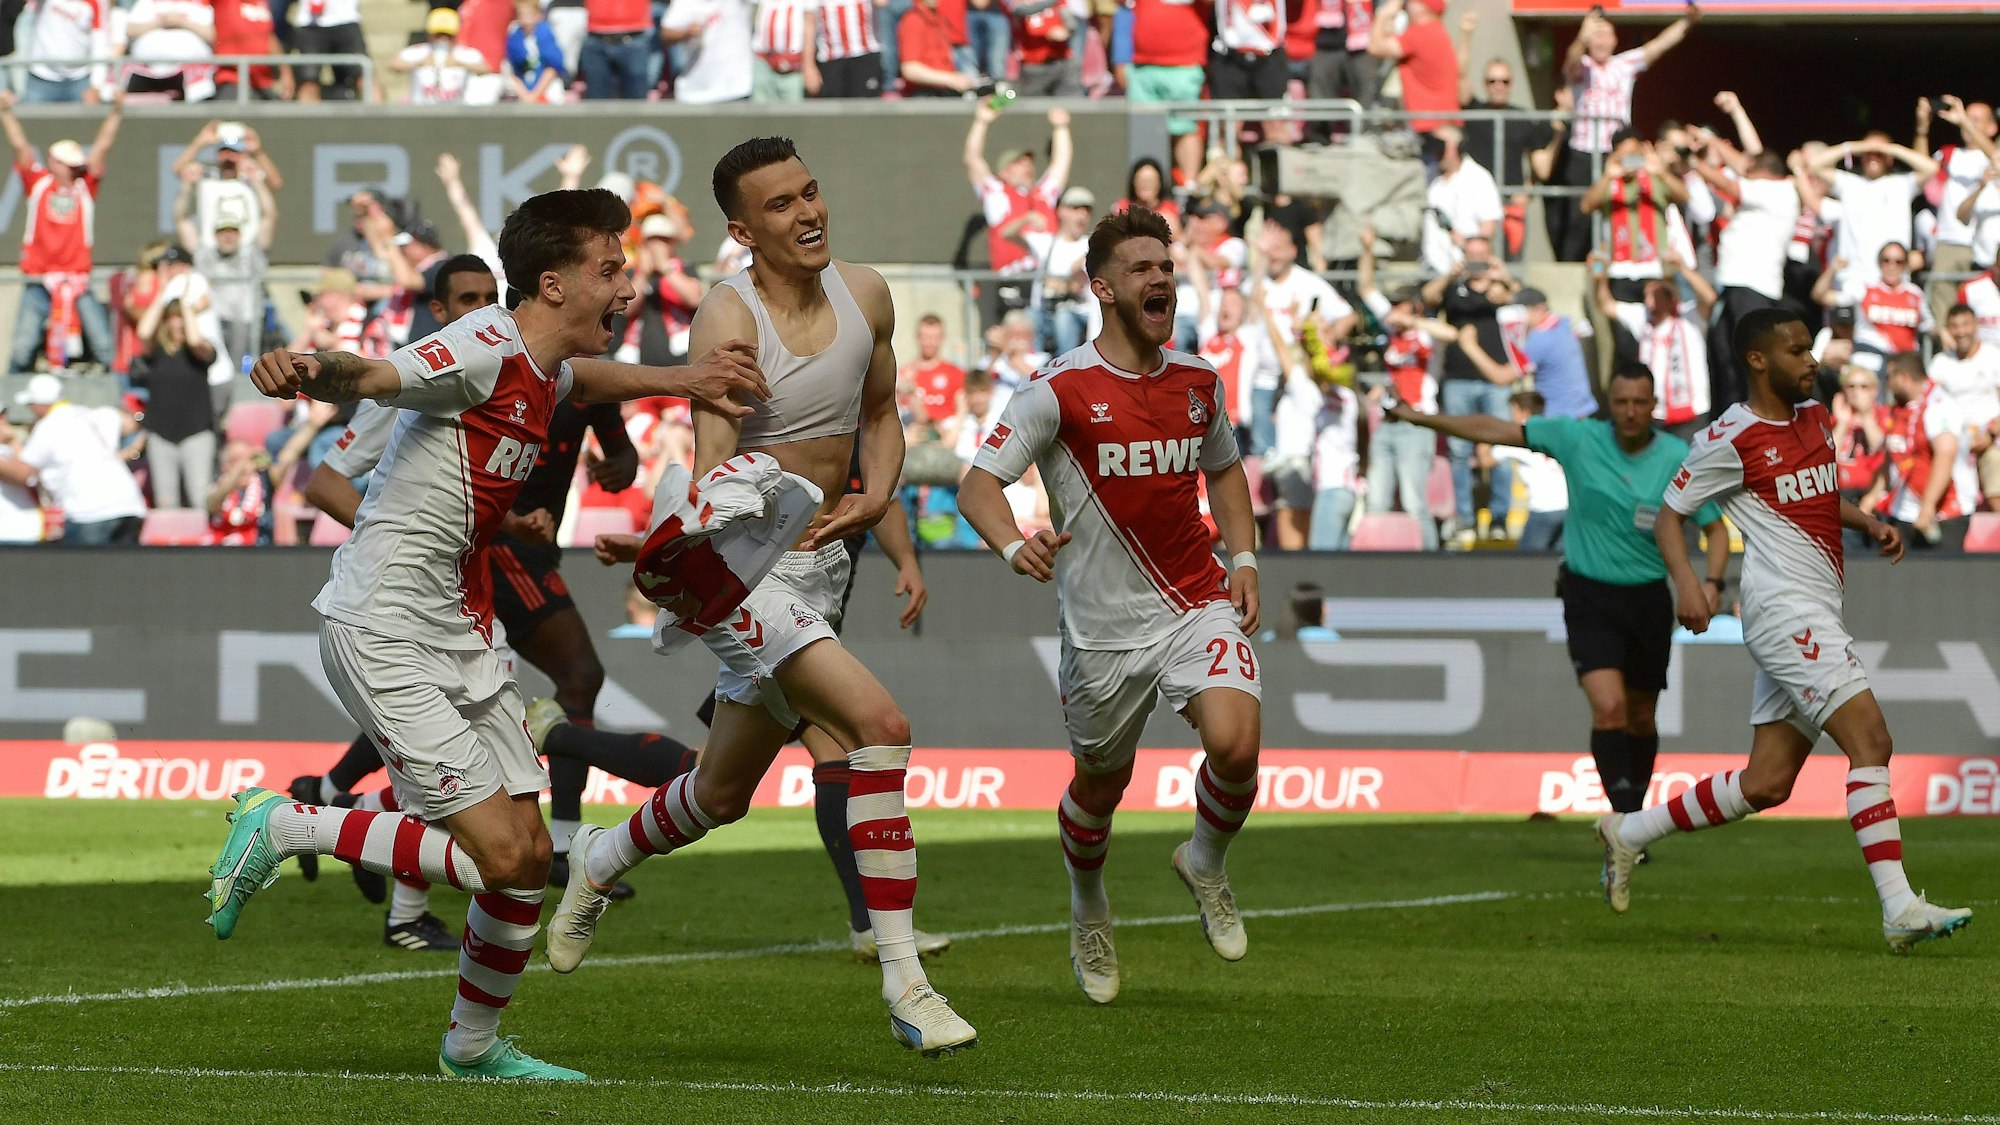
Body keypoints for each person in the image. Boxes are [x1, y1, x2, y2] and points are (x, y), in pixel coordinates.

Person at [200, 186, 769, 1081]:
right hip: (382, 621)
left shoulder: (543, 366)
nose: (627, 287)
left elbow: (583, 380)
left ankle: (471, 1048)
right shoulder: (480, 344)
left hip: (460, 629)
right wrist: (306, 367)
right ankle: (291, 823)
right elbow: (377, 375)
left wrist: (679, 379)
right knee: (499, 853)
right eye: (608, 270)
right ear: (551, 283)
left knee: (528, 858)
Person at [544, 137, 977, 1057]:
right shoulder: (727, 320)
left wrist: (880, 491)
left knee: (721, 792)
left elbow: (881, 414)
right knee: (880, 726)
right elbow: (711, 467)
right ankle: (907, 981)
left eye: (811, 192)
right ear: (743, 231)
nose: (808, 213)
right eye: (781, 206)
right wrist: (669, 543)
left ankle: (600, 854)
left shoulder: (868, 294)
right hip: (747, 571)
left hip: (823, 568)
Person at [956, 206, 1264, 1005]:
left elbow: (1225, 472)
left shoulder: (1200, 381)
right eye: (1141, 268)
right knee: (1101, 785)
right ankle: (1089, 903)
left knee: (1235, 742)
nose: (1160, 277)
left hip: (1196, 601)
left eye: (1164, 265)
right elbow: (977, 485)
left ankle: (1203, 858)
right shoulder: (1058, 389)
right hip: (1100, 631)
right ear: (1103, 287)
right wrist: (1009, 541)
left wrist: (1246, 556)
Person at [1621, 309, 1972, 952]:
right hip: (1784, 612)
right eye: (1797, 350)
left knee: (1767, 782)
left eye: (1811, 349)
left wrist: (1867, 523)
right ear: (1758, 360)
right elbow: (1671, 517)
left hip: (1818, 604)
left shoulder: (1814, 418)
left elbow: (1814, 495)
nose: (1812, 361)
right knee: (1871, 738)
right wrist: (1691, 584)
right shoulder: (1729, 437)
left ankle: (1629, 832)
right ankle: (1899, 907)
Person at [1388, 361, 1728, 827]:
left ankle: (1630, 815)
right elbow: (1495, 428)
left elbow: (1715, 528)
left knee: (1641, 717)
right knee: (1609, 707)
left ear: (1654, 406)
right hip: (1588, 594)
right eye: (1621, 402)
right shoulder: (1578, 438)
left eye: (1639, 403)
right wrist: (1424, 419)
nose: (1630, 412)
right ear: (1611, 405)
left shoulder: (1675, 457)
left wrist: (1711, 583)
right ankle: (1628, 821)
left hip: (1648, 598)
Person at [1549, 1, 1700, 262]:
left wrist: (1688, 22)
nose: (1600, 40)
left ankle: (1627, 258)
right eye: (1596, 35)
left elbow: (1658, 46)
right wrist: (1580, 39)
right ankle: (1571, 265)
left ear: (1615, 39)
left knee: (1626, 204)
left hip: (1618, 150)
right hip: (1583, 151)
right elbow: (1571, 62)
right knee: (1579, 215)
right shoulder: (1582, 65)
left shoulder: (1624, 64)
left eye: (1605, 34)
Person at [1, 89, 123, 374]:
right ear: (54, 162)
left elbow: (102, 147)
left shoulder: (84, 188)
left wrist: (116, 112)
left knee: (103, 344)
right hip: (38, 278)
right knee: (23, 344)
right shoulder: (39, 184)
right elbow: (21, 147)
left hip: (77, 280)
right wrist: (6, 113)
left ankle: (120, 397)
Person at [1421, 235, 1518, 544]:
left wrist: (1503, 277)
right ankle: (1464, 516)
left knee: (1502, 448)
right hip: (1458, 378)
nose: (1476, 261)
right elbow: (1428, 296)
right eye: (1471, 255)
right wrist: (1450, 274)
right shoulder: (1453, 286)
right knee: (1460, 452)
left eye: (1482, 255)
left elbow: (1518, 298)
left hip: (1495, 379)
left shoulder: (1498, 287)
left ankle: (1500, 516)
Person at [0, 375, 147, 544]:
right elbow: (130, 423)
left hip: (90, 511)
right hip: (130, 505)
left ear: (40, 405)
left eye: (30, 405)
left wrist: (13, 441)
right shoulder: (92, 414)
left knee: (82, 570)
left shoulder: (48, 426)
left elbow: (23, 475)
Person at [964, 104, 1074, 323]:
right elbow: (973, 160)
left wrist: (1061, 128)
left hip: (1047, 285)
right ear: (1004, 171)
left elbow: (1061, 165)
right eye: (1019, 163)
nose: (1027, 167)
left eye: (1029, 163)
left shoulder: (1042, 195)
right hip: (1014, 282)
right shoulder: (997, 194)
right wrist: (981, 121)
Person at [1864, 351, 1979, 553]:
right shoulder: (1899, 409)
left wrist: (1927, 508)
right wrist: (1873, 495)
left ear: (1904, 378)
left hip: (1944, 514)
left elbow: (1945, 455)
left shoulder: (1940, 406)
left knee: (1940, 580)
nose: (1887, 384)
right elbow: (1892, 455)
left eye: (1890, 377)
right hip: (1903, 512)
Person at [1807, 130, 1938, 293]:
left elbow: (1931, 168)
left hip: (1892, 278)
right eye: (1868, 153)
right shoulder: (1848, 183)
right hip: (1853, 278)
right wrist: (1857, 147)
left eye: (1879, 154)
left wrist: (1892, 149)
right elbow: (1815, 164)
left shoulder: (1903, 184)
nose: (1873, 156)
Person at [130, 298, 218, 510]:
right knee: (165, 502)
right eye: (173, 318)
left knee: (200, 499)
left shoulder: (202, 351)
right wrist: (163, 292)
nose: (178, 323)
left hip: (196, 432)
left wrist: (187, 306)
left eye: (181, 318)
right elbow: (143, 332)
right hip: (161, 434)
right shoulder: (157, 352)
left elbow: (196, 342)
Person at [1812, 244, 1929, 374]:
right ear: (1879, 263)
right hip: (1869, 358)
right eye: (1886, 260)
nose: (1892, 266)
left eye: (1898, 261)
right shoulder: (1865, 288)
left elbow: (1929, 326)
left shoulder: (1916, 294)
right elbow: (1820, 296)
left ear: (1906, 265)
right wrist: (1832, 269)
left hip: (1904, 364)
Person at [1928, 304, 2000, 510]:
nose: (1960, 332)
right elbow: (1932, 404)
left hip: (1990, 436)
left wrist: (1991, 434)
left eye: (1965, 325)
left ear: (1975, 325)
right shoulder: (1940, 363)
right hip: (1954, 438)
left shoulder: (1993, 357)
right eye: (1955, 326)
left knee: (1995, 463)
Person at [1490, 391, 1566, 553]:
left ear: (1524, 412)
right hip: (1568, 507)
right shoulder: (1553, 429)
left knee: (1526, 564)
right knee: (1557, 563)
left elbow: (1487, 459)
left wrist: (1485, 436)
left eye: (1513, 411)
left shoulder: (1521, 434)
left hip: (1543, 508)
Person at [393, 9, 496, 104]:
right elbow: (394, 65)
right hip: (422, 111)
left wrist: (459, 63)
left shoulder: (464, 52)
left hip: (454, 112)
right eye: (438, 35)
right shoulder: (420, 51)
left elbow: (486, 68)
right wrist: (420, 63)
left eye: (448, 35)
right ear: (430, 34)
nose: (443, 39)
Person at [661, 0, 754, 104]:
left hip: (735, 88)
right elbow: (666, 33)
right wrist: (686, 33)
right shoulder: (685, 3)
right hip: (695, 91)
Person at [900, 312, 965, 425]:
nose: (930, 343)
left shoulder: (956, 373)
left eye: (935, 337)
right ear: (917, 337)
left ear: (942, 338)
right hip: (913, 435)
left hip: (945, 436)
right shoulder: (904, 374)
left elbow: (962, 411)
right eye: (925, 337)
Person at [506, 0, 570, 101]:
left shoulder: (545, 34)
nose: (525, 19)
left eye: (529, 14)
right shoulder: (515, 38)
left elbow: (553, 67)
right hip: (524, 87)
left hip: (546, 86)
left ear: (538, 15)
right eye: (521, 14)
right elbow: (514, 71)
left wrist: (535, 95)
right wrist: (526, 96)